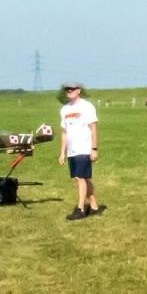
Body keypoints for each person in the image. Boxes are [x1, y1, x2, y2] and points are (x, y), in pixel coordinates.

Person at [57, 81, 100, 220]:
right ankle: (94, 206)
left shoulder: (86, 107)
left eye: (72, 89)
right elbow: (64, 132)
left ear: (78, 90)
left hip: (84, 148)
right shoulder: (64, 110)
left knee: (79, 178)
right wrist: (62, 152)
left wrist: (94, 148)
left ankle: (80, 209)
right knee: (84, 178)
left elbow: (93, 128)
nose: (69, 91)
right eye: (67, 89)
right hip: (72, 150)